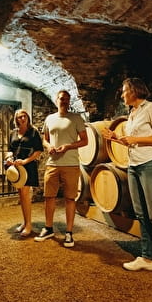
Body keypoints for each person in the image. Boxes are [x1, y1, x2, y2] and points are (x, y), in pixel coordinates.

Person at [102, 77, 152, 286]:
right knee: (141, 214)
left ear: (135, 91)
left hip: (151, 164)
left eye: (125, 90)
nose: (122, 94)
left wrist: (135, 139)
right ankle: (147, 258)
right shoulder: (132, 113)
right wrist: (116, 139)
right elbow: (132, 142)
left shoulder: (151, 108)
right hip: (134, 166)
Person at [34, 90, 88, 248]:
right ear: (56, 100)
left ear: (69, 102)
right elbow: (45, 139)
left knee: (70, 198)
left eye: (66, 99)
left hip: (71, 164)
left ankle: (69, 233)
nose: (64, 101)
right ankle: (48, 228)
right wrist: (49, 146)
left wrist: (68, 146)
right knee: (49, 197)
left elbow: (85, 141)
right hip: (52, 163)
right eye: (61, 99)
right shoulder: (49, 119)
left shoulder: (76, 118)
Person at [5, 109, 43, 237]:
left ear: (28, 118)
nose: (22, 119)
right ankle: (25, 222)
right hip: (16, 167)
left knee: (25, 195)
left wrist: (25, 161)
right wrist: (9, 158)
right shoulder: (13, 133)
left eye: (24, 116)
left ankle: (28, 225)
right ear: (16, 119)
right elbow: (9, 149)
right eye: (20, 117)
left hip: (28, 166)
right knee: (21, 195)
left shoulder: (33, 132)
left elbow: (38, 151)